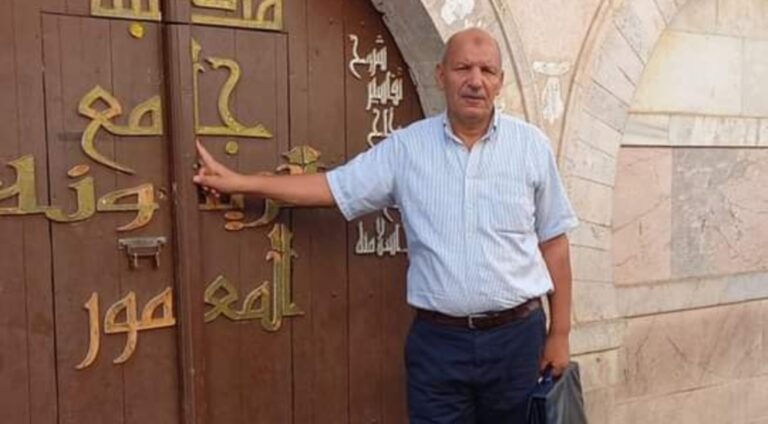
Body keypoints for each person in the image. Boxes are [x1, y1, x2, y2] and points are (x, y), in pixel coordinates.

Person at [194, 27, 578, 424]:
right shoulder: (407, 149)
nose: (475, 81)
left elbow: (554, 243)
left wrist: (560, 334)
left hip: (517, 341)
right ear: (441, 75)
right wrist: (242, 183)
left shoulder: (531, 148)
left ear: (500, 81)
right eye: (463, 68)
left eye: (487, 70)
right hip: (439, 344)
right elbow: (333, 187)